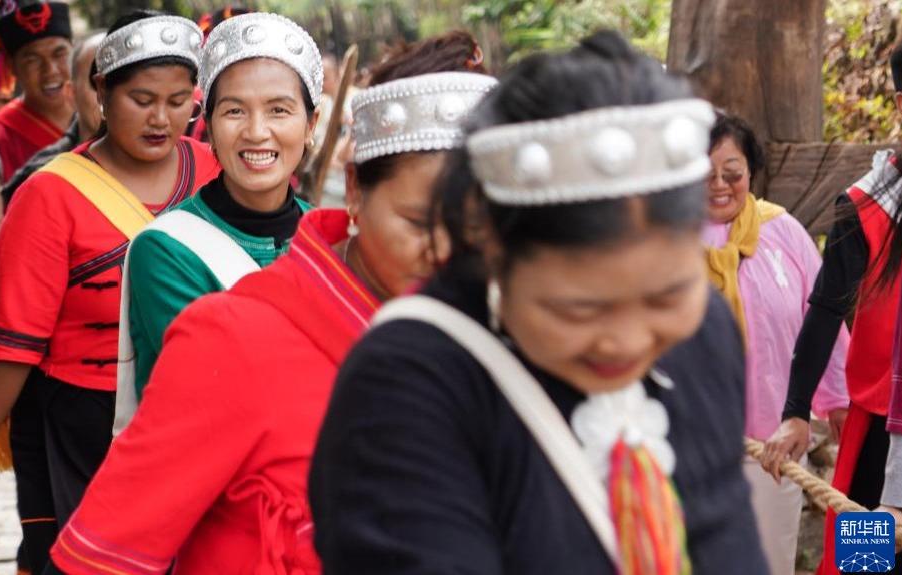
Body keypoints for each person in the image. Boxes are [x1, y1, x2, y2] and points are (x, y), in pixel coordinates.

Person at [309, 32, 766, 575]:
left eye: (667, 296)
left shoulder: (703, 332)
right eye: (578, 309)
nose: (628, 340)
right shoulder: (407, 386)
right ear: (490, 249)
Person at [48, 32, 494, 575]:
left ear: (309, 125)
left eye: (476, 228)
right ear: (353, 190)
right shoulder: (221, 320)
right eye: (419, 223)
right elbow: (107, 552)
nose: (447, 252)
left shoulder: (504, 339)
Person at [0, 12, 217, 573]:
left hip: (195, 420)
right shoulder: (48, 195)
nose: (161, 119)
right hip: (82, 431)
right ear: (101, 92)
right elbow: (13, 346)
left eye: (180, 101)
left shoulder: (212, 171)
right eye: (143, 99)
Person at [113, 12, 322, 432]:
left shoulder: (330, 238)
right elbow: (222, 387)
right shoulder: (166, 249)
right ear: (208, 123)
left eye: (279, 110)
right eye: (234, 112)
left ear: (310, 125)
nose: (257, 132)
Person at [762, 30, 902, 575]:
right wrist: (796, 412)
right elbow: (824, 312)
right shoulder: (867, 206)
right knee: (864, 568)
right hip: (879, 432)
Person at [700, 113, 850, 575]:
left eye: (733, 173)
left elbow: (821, 324)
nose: (720, 186)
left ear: (751, 172)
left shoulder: (782, 231)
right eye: (704, 174)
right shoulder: (658, 243)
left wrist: (843, 404)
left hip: (773, 449)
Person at [0, 0, 74, 313]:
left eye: (59, 54)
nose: (51, 70)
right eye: (32, 59)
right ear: (11, 66)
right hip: (30, 302)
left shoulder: (110, 116)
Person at [1, 31, 106, 208]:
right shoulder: (41, 179)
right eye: (98, 85)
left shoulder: (166, 167)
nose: (115, 98)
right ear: (71, 93)